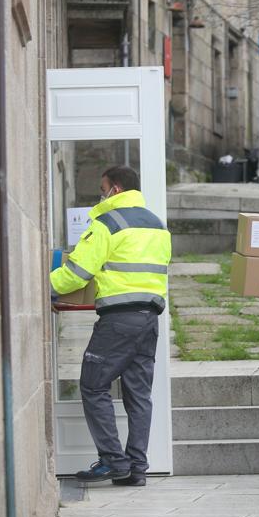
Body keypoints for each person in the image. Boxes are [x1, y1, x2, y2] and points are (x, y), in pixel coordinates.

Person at [50, 166, 171, 486]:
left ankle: (113, 461)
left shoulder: (107, 224)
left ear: (116, 189)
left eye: (103, 189)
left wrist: (46, 284)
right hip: (149, 320)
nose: (100, 195)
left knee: (92, 384)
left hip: (118, 320)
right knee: (138, 396)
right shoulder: (158, 225)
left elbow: (77, 272)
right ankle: (136, 468)